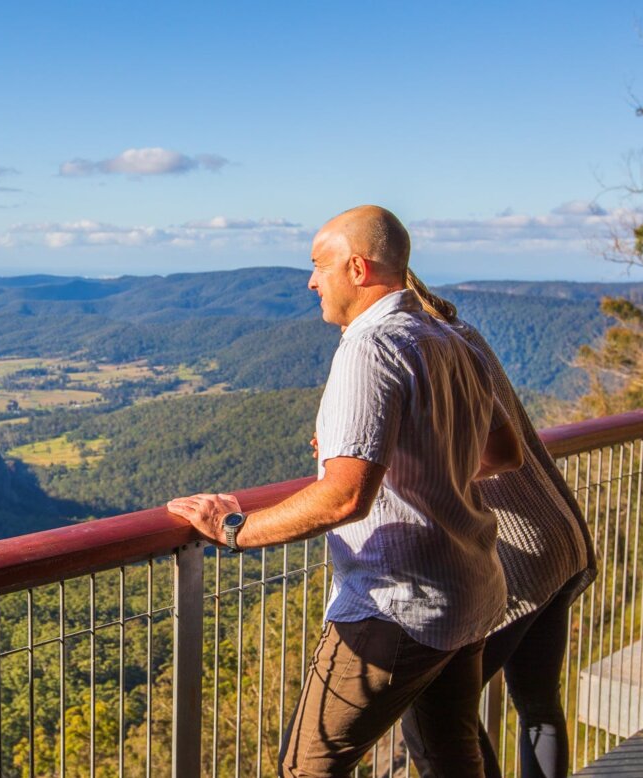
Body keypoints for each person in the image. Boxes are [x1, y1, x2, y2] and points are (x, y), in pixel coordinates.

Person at [167, 205, 523, 777]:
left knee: (306, 769)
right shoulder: (450, 337)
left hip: (397, 605)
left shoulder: (370, 346)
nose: (311, 281)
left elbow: (343, 497)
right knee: (450, 755)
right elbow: (503, 453)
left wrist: (234, 530)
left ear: (357, 268)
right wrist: (409, 462)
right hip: (469, 590)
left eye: (318, 266)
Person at [399, 272, 596, 778]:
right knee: (537, 702)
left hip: (519, 550)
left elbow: (488, 454)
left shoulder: (432, 348)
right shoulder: (460, 332)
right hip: (556, 532)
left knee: (439, 710)